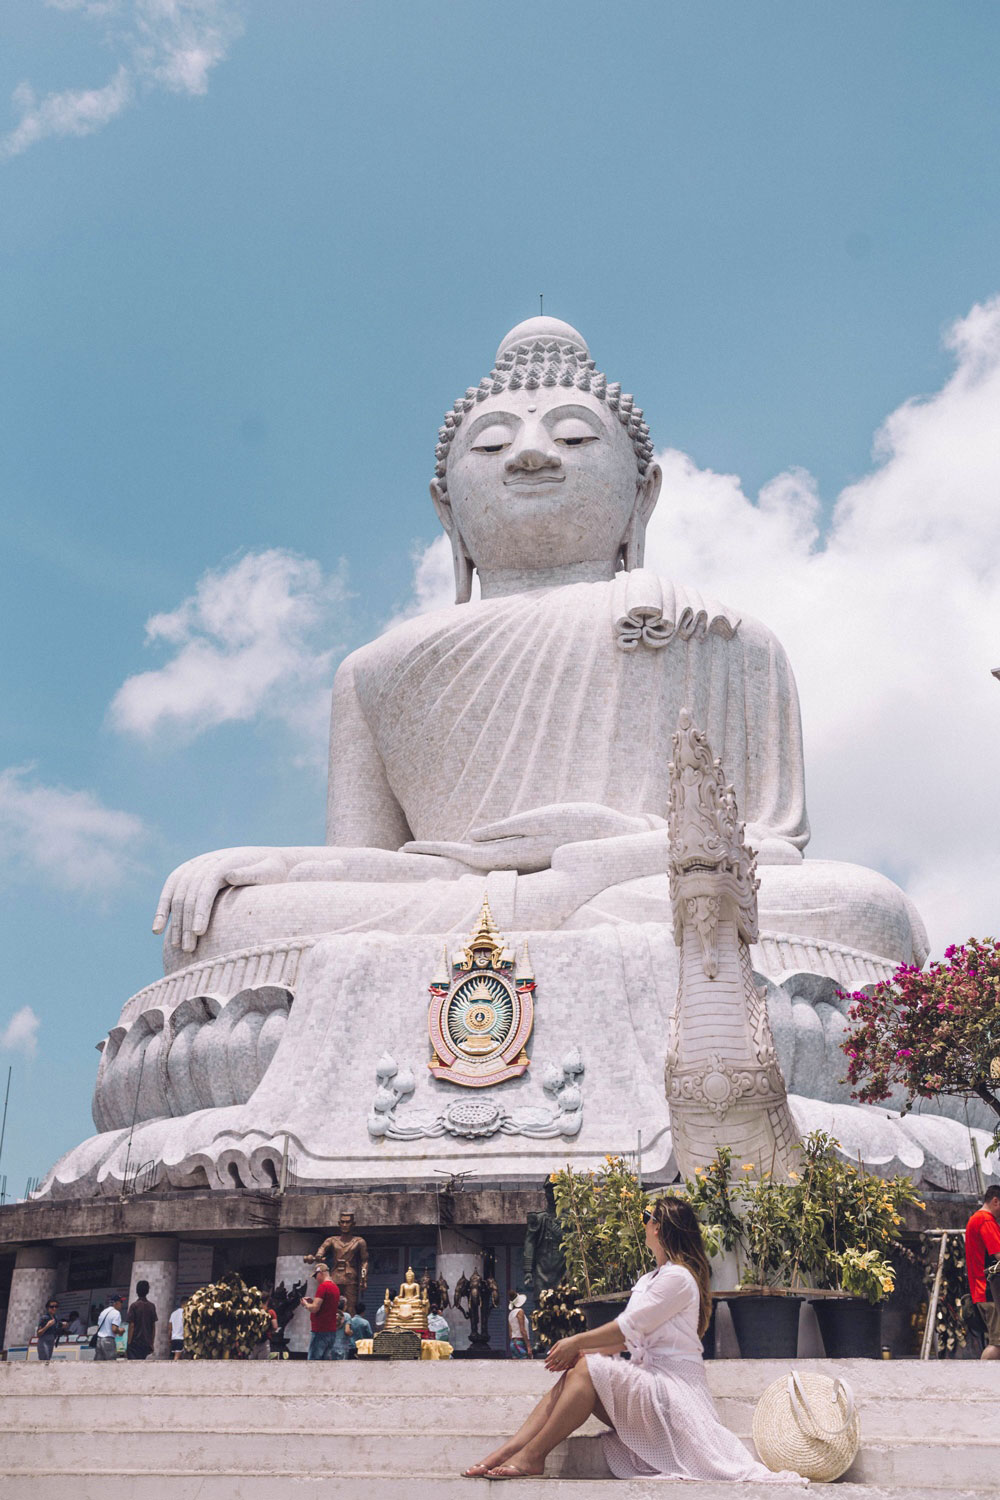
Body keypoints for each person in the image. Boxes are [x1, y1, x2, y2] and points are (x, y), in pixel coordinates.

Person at [462, 1196, 805, 1482]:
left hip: (675, 1392)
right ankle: (509, 1451)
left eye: (646, 1217)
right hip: (652, 1383)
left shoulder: (679, 1279)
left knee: (586, 1367)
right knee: (578, 1371)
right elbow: (624, 1343)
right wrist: (576, 1352)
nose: (644, 1224)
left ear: (660, 1227)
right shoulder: (649, 1279)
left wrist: (576, 1342)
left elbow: (629, 1328)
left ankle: (533, 1456)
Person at [965, 1184, 1000, 1360]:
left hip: (981, 1289)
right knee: (997, 1344)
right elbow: (999, 1254)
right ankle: (981, 1382)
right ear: (996, 1201)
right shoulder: (986, 1220)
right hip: (991, 1291)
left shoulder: (975, 1219)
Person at [301, 1262, 341, 1360]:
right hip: (331, 1331)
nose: (315, 1279)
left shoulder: (323, 1287)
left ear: (320, 1273)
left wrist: (306, 1304)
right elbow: (326, 1305)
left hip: (320, 1330)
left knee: (313, 1362)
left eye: (315, 1276)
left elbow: (315, 1308)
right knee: (325, 1363)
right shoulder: (335, 1288)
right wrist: (313, 1301)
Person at [126, 1279, 158, 1361]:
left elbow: (132, 1326)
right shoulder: (152, 1306)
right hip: (146, 1342)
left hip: (135, 1342)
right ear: (147, 1291)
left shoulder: (134, 1306)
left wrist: (129, 1342)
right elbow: (153, 1327)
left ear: (137, 1291)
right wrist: (152, 1343)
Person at [94, 1294, 125, 1361]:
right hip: (108, 1341)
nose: (121, 1305)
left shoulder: (103, 1312)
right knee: (111, 1363)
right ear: (116, 1303)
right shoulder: (116, 1313)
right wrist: (121, 1331)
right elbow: (114, 1329)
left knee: (99, 1363)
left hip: (99, 1340)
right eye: (121, 1302)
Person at [508, 1291, 533, 1359]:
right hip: (520, 1342)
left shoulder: (511, 1314)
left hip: (513, 1342)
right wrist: (528, 1346)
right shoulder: (520, 1311)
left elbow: (510, 1333)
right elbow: (522, 1330)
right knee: (525, 1362)